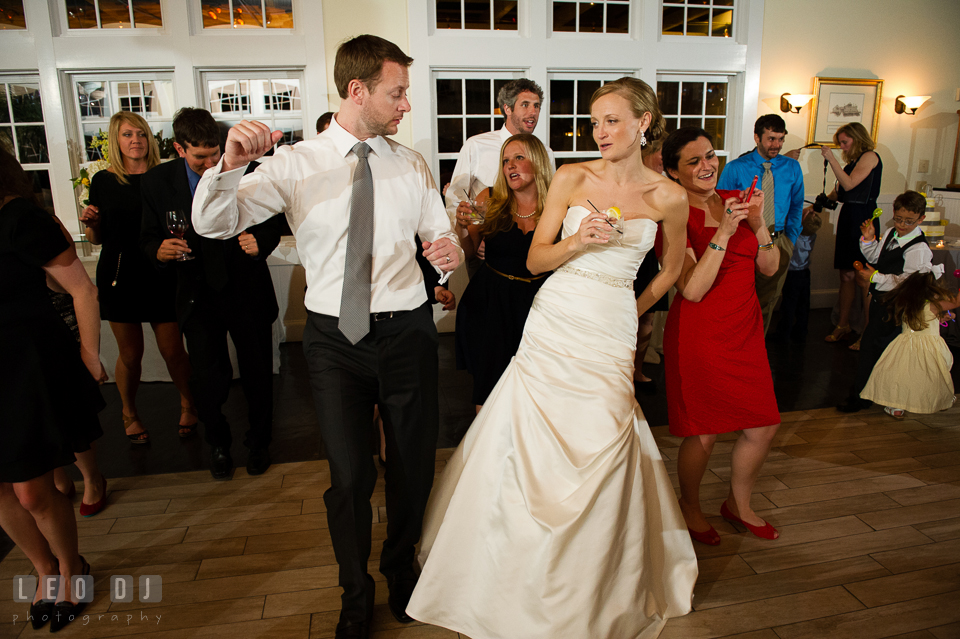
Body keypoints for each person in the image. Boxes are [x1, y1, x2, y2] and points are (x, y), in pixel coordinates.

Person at [191, 35, 461, 639]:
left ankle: (401, 574)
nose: (405, 105)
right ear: (357, 90)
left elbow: (440, 238)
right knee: (348, 476)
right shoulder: (293, 165)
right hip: (334, 342)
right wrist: (228, 166)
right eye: (397, 92)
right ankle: (354, 591)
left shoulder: (412, 162)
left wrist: (447, 255)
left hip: (408, 333)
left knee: (413, 469)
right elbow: (213, 223)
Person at [407, 77, 696, 639]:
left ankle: (599, 581)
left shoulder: (669, 196)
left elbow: (671, 270)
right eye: (594, 122)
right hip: (556, 316)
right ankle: (512, 572)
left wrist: (630, 310)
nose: (601, 132)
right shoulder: (571, 177)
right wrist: (579, 242)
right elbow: (538, 259)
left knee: (606, 437)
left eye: (613, 120)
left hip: (611, 327)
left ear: (643, 122)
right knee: (529, 437)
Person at [140, 107, 284, 479]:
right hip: (196, 295)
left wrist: (261, 241)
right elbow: (147, 236)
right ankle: (218, 445)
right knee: (207, 379)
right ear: (178, 148)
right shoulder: (158, 182)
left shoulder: (250, 172)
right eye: (200, 156)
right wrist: (158, 250)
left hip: (245, 288)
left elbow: (275, 221)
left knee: (257, 375)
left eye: (214, 154)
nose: (209, 164)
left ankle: (259, 444)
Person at [657, 127, 781, 546]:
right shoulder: (673, 216)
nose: (707, 165)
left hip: (745, 330)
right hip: (701, 334)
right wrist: (724, 234)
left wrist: (760, 223)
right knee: (704, 431)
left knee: (762, 425)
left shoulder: (736, 200)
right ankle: (690, 506)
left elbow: (769, 267)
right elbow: (691, 289)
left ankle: (738, 505)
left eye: (710, 155)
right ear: (674, 172)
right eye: (693, 161)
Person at [0, 148, 105, 632]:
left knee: (31, 490)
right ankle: (44, 571)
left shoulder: (20, 217)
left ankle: (71, 567)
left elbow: (82, 289)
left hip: (22, 367)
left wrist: (88, 353)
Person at [79, 111, 197, 444]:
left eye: (141, 134)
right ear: (116, 141)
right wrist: (91, 223)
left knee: (174, 350)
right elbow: (96, 240)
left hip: (162, 272)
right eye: (128, 135)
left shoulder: (164, 177)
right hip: (121, 275)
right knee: (130, 355)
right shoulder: (103, 181)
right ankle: (129, 412)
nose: (136, 140)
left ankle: (188, 403)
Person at [454, 133, 552, 410]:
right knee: (488, 388)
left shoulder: (558, 204)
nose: (510, 165)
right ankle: (486, 450)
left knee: (535, 387)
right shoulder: (489, 198)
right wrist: (461, 226)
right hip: (489, 303)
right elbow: (470, 251)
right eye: (506, 160)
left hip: (538, 306)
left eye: (519, 158)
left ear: (538, 162)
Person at [445, 79, 557, 275]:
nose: (533, 112)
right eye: (525, 105)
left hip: (530, 249)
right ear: (507, 108)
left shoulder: (545, 152)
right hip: (483, 253)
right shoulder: (477, 145)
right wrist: (480, 236)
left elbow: (551, 199)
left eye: (537, 105)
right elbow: (457, 197)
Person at [837, 190, 935, 413]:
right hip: (882, 302)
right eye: (899, 218)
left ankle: (874, 396)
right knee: (872, 348)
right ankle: (865, 394)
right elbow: (875, 258)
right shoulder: (891, 232)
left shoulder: (918, 248)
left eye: (909, 221)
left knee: (888, 352)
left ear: (921, 218)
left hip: (900, 306)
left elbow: (908, 281)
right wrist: (869, 239)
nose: (902, 224)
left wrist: (875, 278)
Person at [717, 114, 804, 334]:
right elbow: (720, 207)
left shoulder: (792, 168)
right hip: (744, 240)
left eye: (781, 139)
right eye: (771, 139)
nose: (777, 145)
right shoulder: (736, 167)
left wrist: (790, 242)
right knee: (737, 298)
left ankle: (757, 349)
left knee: (768, 301)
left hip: (778, 240)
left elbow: (796, 207)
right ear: (757, 137)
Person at [861, 270, 956, 418]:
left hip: (904, 345)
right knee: (930, 375)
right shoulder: (933, 305)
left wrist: (940, 319)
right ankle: (935, 399)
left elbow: (922, 321)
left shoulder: (908, 304)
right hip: (929, 348)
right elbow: (956, 302)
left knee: (901, 375)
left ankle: (896, 405)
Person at [820, 122, 882, 345]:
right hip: (848, 218)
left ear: (857, 138)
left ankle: (867, 331)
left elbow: (849, 183)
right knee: (845, 275)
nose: (843, 148)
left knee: (863, 276)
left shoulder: (870, 156)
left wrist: (832, 159)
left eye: (845, 143)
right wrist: (814, 207)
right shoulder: (855, 162)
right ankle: (843, 323)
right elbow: (837, 192)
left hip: (863, 219)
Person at [635, 137, 667, 391]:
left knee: (648, 318)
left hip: (651, 257)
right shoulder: (632, 179)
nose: (665, 162)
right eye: (662, 155)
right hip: (630, 256)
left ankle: (637, 369)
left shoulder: (666, 184)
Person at [772, 207, 822, 342]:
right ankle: (801, 330)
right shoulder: (812, 235)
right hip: (805, 273)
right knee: (803, 304)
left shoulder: (794, 236)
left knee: (788, 305)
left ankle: (783, 333)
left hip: (792, 274)